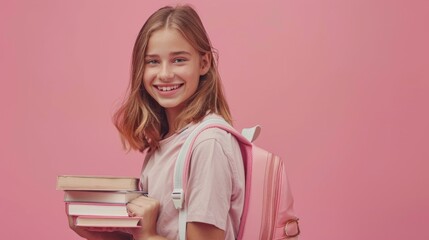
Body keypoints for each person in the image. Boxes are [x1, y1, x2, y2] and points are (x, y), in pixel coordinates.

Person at [68, 4, 245, 240]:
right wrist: (96, 231)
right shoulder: (165, 143)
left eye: (179, 60)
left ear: (204, 63)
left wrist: (147, 235)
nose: (164, 74)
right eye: (152, 62)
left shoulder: (207, 144)